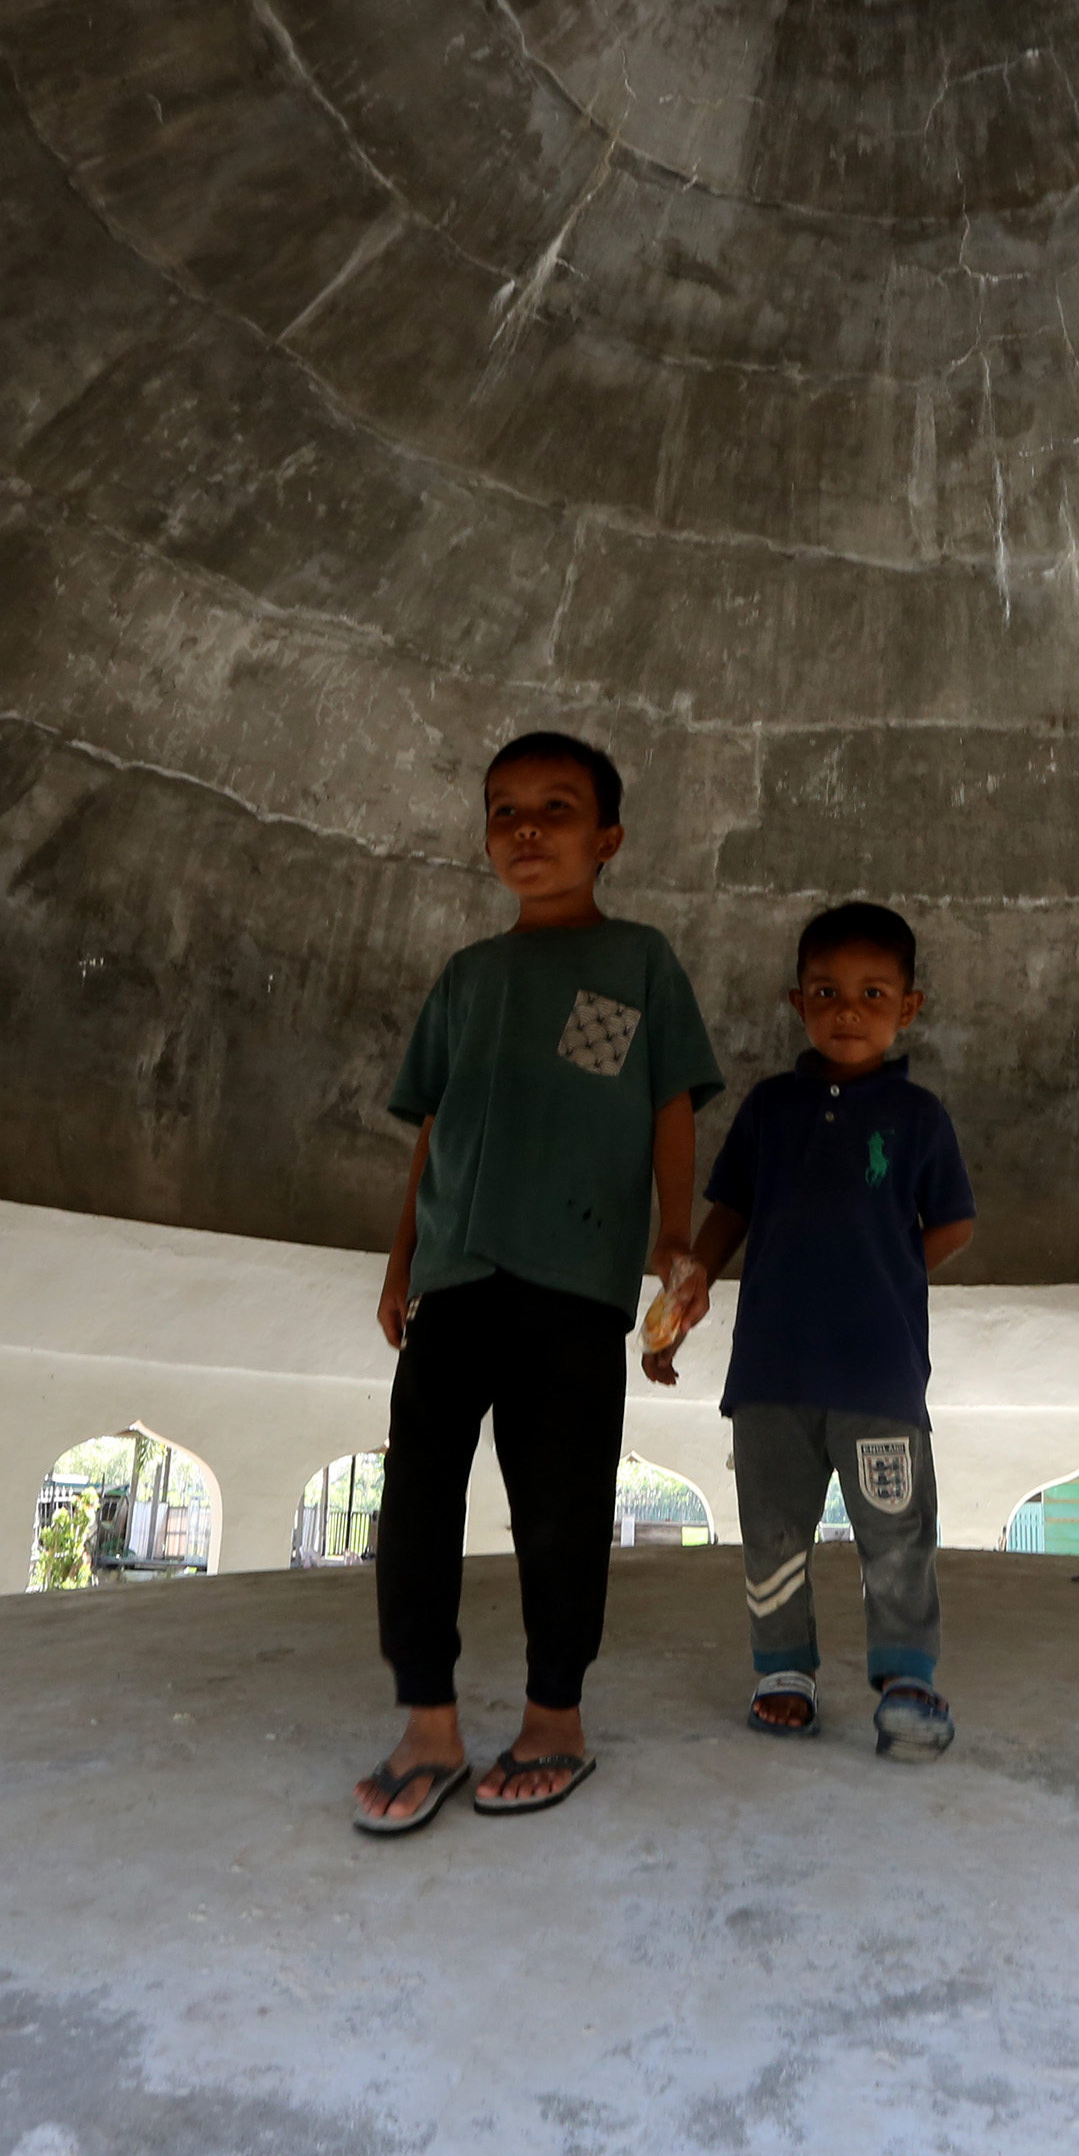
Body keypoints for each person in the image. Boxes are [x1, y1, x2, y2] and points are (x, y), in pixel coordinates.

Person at [351, 733, 722, 1835]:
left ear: (605, 840)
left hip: (575, 1282)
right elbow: (433, 1124)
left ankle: (553, 1718)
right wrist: (400, 1256)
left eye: (555, 809)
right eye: (503, 810)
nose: (526, 829)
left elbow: (664, 1102)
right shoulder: (467, 977)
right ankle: (428, 1723)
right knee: (415, 1498)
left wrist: (672, 1243)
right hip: (456, 1274)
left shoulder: (637, 961)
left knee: (559, 1508)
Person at [648, 901, 976, 1759]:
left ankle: (907, 1678)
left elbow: (951, 1225)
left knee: (896, 1535)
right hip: (772, 1374)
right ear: (797, 1002)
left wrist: (883, 1275)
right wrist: (686, 1297)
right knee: (774, 1529)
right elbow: (730, 1214)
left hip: (879, 1380)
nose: (847, 1010)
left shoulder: (918, 1118)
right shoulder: (770, 1108)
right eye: (827, 992)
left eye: (873, 993)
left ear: (909, 1007)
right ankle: (782, 1671)